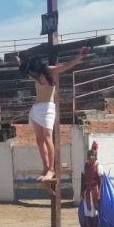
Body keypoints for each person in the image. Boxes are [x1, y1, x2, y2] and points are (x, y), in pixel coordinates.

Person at [15, 46, 89, 183]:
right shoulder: (33, 72)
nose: (31, 73)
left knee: (48, 137)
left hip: (48, 108)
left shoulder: (49, 70)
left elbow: (67, 66)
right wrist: (20, 62)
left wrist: (80, 56)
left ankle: (51, 169)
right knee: (39, 139)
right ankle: (45, 167)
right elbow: (25, 69)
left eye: (32, 70)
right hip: (36, 108)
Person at [80, 143, 105, 227]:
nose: (91, 157)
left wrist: (99, 194)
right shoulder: (85, 166)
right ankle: (88, 226)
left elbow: (101, 181)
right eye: (89, 155)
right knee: (87, 209)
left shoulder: (98, 167)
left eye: (93, 155)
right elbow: (82, 180)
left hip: (95, 190)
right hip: (87, 191)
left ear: (95, 157)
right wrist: (81, 192)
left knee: (95, 209)